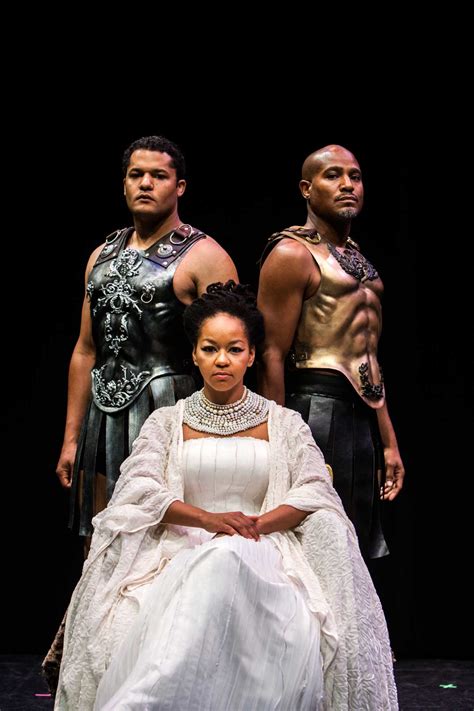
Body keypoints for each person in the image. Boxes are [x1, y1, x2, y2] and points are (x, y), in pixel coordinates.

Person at [52, 281, 398, 710]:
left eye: (234, 349)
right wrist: (207, 520)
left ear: (251, 356)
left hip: (264, 546)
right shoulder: (166, 422)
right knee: (214, 560)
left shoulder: (284, 423)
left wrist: (255, 525)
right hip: (180, 547)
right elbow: (140, 487)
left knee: (228, 557)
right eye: (210, 348)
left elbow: (313, 489)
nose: (222, 360)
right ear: (194, 354)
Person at [55, 135, 238, 538]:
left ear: (180, 187)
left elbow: (233, 353)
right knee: (99, 541)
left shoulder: (205, 256)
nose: (145, 183)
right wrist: (72, 439)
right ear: (124, 183)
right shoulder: (101, 255)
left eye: (158, 175)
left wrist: (224, 437)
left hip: (171, 411)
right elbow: (86, 350)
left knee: (167, 547)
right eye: (136, 175)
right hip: (100, 420)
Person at [257, 144, 405, 559]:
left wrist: (388, 441)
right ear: (306, 188)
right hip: (312, 411)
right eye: (333, 176)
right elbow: (270, 352)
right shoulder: (292, 253)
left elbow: (368, 359)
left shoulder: (359, 260)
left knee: (354, 551)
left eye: (354, 177)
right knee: (313, 551)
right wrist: (278, 442)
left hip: (361, 419)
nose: (347, 185)